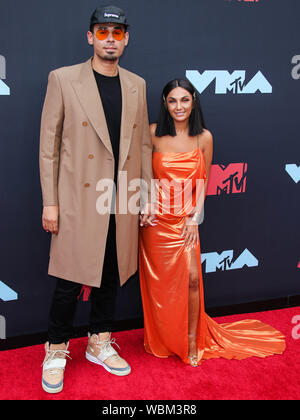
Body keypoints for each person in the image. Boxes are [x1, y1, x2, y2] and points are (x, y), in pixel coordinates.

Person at [39, 5, 154, 393]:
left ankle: (99, 341)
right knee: (69, 281)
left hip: (120, 200)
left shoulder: (136, 84)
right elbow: (49, 147)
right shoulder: (64, 79)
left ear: (126, 39)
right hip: (77, 198)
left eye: (117, 33)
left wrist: (143, 198)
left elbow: (141, 147)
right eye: (103, 31)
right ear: (90, 37)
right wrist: (50, 202)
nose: (110, 38)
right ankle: (55, 349)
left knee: (111, 275)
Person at [138, 78, 286, 367]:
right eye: (172, 100)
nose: (178, 106)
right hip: (156, 222)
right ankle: (166, 339)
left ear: (194, 101)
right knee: (161, 287)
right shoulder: (153, 133)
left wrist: (195, 218)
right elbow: (142, 172)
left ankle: (192, 342)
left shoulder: (204, 137)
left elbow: (203, 183)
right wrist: (145, 201)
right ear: (165, 104)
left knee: (192, 281)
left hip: (186, 220)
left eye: (184, 100)